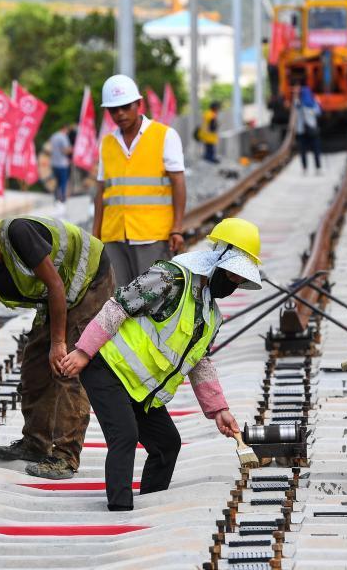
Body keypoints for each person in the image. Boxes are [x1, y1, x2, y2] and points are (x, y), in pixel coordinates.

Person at [58, 218, 261, 511]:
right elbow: (119, 307)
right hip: (107, 369)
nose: (234, 284)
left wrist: (219, 409)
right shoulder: (170, 278)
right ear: (218, 259)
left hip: (141, 390)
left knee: (167, 444)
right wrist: (84, 352)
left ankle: (151, 502)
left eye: (239, 280)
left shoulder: (211, 315)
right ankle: (120, 510)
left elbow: (200, 361)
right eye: (232, 276)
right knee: (124, 435)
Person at [0, 216, 115, 480]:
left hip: (88, 280)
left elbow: (55, 285)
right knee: (34, 365)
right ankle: (35, 443)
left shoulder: (19, 234)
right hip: (54, 295)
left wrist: (58, 343)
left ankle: (65, 457)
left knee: (67, 367)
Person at [94, 74, 187, 287]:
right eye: (113, 110)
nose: (120, 113)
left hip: (152, 234)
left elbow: (178, 183)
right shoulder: (107, 143)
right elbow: (101, 193)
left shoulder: (165, 135)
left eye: (126, 107)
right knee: (119, 300)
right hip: (114, 235)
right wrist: (96, 236)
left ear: (139, 104)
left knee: (153, 298)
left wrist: (177, 228)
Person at [295, 87, 322, 172]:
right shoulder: (313, 103)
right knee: (316, 149)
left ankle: (304, 168)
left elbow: (296, 106)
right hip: (312, 130)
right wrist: (317, 102)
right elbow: (319, 112)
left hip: (301, 131)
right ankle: (318, 168)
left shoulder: (298, 103)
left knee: (303, 150)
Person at [49, 124, 73, 205]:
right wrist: (71, 150)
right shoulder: (63, 137)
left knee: (57, 182)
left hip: (54, 162)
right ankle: (63, 199)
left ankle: (56, 198)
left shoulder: (54, 136)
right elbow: (65, 150)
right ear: (64, 128)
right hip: (62, 163)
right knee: (63, 182)